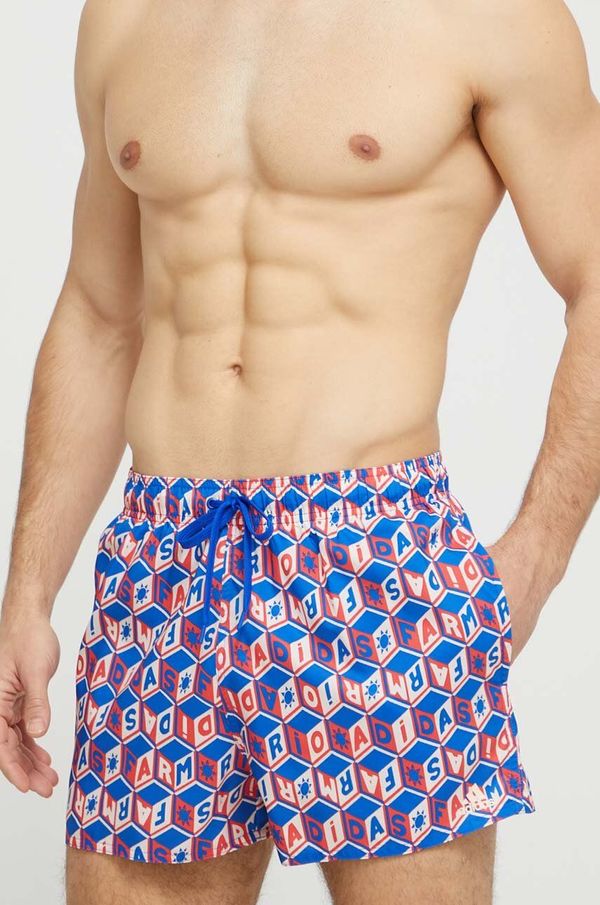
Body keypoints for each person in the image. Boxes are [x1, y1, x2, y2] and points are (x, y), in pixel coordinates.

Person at [1, 0, 599, 903]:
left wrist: (536, 559)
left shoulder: (491, 17)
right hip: (165, 560)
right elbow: (100, 312)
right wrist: (28, 588)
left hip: (375, 558)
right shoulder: (126, 15)